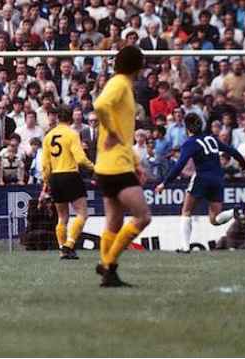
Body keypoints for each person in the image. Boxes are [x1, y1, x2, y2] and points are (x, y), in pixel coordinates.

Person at [92, 46, 152, 287]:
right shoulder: (119, 84)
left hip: (109, 164)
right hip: (116, 166)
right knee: (143, 216)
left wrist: (136, 163)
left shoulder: (122, 85)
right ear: (137, 66)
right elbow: (100, 105)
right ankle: (108, 263)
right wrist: (113, 132)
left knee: (114, 222)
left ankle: (109, 273)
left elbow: (125, 133)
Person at [155, 113, 245, 253]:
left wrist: (165, 183)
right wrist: (244, 165)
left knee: (186, 211)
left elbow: (180, 164)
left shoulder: (190, 143)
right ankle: (232, 213)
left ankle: (185, 246)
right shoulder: (211, 139)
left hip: (201, 178)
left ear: (188, 129)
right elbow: (232, 151)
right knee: (214, 219)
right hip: (217, 180)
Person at [40, 105, 94, 259]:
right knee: (82, 213)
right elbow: (80, 159)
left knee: (62, 216)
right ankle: (69, 244)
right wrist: (93, 167)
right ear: (71, 118)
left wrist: (46, 181)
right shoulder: (72, 134)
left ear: (57, 118)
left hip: (55, 177)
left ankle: (62, 249)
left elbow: (45, 164)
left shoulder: (49, 136)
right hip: (70, 175)